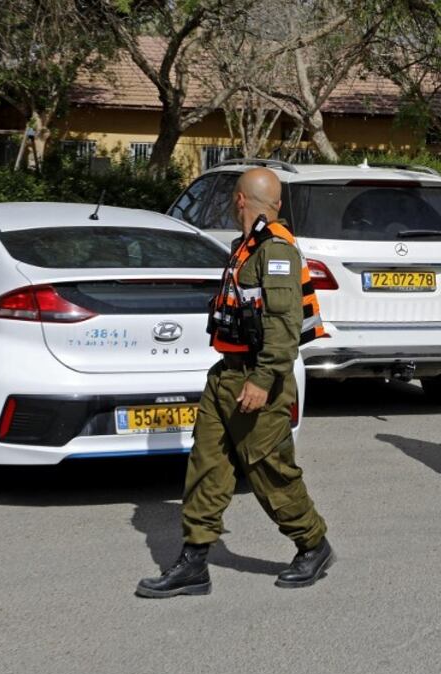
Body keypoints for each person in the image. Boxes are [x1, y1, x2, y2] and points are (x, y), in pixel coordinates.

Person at [136, 168, 332, 598]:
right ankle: (194, 561)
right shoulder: (246, 247)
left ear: (239, 200)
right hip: (226, 374)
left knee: (269, 471)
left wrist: (263, 380)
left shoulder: (275, 251)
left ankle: (313, 543)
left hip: (259, 377)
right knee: (207, 465)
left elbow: (284, 324)